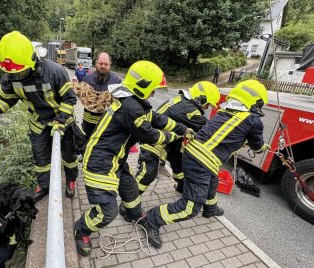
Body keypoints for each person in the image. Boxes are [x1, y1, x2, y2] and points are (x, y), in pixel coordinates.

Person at [73, 60, 195, 256]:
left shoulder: (131, 101)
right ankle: (82, 229)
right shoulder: (131, 108)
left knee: (130, 191)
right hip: (99, 164)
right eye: (153, 89)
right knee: (107, 212)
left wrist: (183, 128)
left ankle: (137, 216)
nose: (154, 93)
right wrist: (177, 136)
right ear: (143, 86)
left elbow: (157, 119)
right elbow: (152, 136)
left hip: (114, 160)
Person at [145, 79, 271, 248]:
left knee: (213, 180)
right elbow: (257, 146)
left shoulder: (224, 111)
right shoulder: (253, 121)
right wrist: (263, 147)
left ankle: (210, 208)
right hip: (202, 161)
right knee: (190, 208)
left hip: (194, 155)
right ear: (257, 102)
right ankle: (152, 219)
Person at [0, 31, 78, 201]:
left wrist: (60, 119)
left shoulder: (55, 72)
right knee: (40, 159)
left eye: (20, 73)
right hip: (38, 122)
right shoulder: (12, 75)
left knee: (69, 155)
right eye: (13, 74)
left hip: (63, 121)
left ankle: (71, 180)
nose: (17, 77)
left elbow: (69, 98)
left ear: (33, 61)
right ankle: (44, 185)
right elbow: (5, 98)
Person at [119, 81, 219, 218]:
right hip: (155, 140)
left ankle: (181, 187)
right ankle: (127, 203)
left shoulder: (181, 99)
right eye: (207, 104)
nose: (207, 108)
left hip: (169, 140)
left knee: (179, 165)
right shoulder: (192, 111)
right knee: (148, 172)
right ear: (202, 99)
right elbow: (208, 129)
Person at [81, 52, 122, 141]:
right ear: (96, 63)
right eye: (101, 63)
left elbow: (120, 103)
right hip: (88, 124)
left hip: (107, 124)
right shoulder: (88, 78)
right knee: (86, 146)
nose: (103, 66)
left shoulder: (116, 81)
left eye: (106, 64)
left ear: (110, 64)